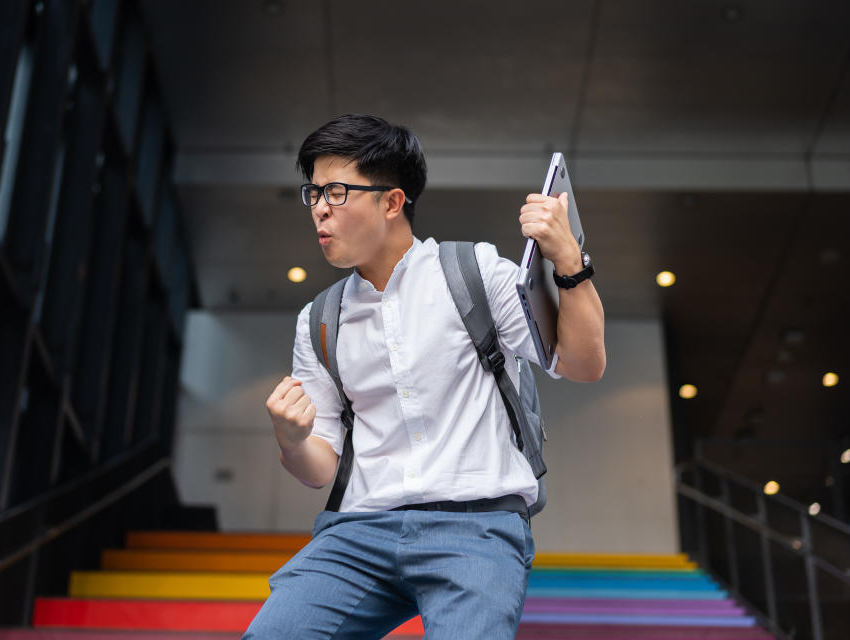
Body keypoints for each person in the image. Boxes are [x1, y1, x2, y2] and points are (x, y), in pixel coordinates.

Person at [245, 114, 606, 639]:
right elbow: (317, 470)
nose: (320, 207)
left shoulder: (474, 273)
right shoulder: (320, 319)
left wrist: (569, 260)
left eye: (338, 191)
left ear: (392, 202)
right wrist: (292, 437)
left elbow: (583, 364)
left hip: (477, 527)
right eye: (314, 192)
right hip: (358, 532)